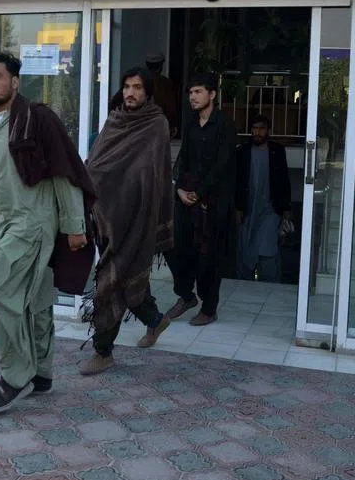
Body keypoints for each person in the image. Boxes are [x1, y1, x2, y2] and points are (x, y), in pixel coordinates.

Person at [0, 52, 96, 414]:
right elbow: (5, 172)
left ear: (15, 81)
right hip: (7, 224)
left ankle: (16, 375)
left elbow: (63, 173)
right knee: (36, 300)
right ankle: (41, 373)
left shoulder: (39, 119)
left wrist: (74, 227)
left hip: (32, 224)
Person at [78, 67, 174, 376]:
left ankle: (102, 351)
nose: (131, 93)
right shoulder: (115, 120)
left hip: (137, 218)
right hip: (107, 216)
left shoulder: (156, 125)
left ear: (147, 93)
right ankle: (156, 320)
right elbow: (100, 161)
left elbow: (153, 175)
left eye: (137, 87)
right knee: (128, 280)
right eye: (127, 86)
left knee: (111, 282)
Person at [166, 73, 237, 326]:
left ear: (212, 95)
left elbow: (223, 163)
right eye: (190, 92)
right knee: (174, 247)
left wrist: (201, 193)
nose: (192, 97)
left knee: (209, 256)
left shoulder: (225, 124)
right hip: (187, 197)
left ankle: (209, 307)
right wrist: (178, 189)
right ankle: (186, 296)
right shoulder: (191, 124)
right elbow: (183, 158)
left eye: (198, 92)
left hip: (213, 201)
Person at [235, 115, 293, 282]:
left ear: (268, 130)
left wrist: (286, 209)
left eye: (261, 128)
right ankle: (244, 284)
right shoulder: (243, 151)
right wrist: (238, 207)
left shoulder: (277, 151)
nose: (257, 132)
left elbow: (284, 180)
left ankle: (270, 285)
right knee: (246, 247)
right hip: (248, 209)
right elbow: (237, 181)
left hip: (270, 210)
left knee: (267, 248)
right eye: (254, 128)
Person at [146, 52, 180, 138]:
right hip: (158, 127)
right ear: (161, 66)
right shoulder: (165, 83)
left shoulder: (137, 80)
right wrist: (172, 125)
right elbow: (170, 107)